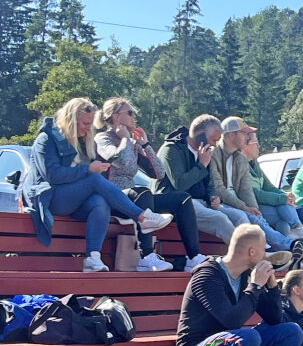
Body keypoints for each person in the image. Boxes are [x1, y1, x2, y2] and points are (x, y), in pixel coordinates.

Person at [20, 98, 173, 273]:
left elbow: (148, 171)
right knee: (93, 179)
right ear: (70, 119)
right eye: (85, 123)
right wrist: (89, 169)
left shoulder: (86, 141)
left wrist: (135, 146)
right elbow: (52, 175)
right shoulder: (47, 139)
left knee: (100, 201)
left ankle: (93, 258)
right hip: (48, 198)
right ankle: (142, 218)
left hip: (72, 200)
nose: (88, 128)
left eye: (90, 123)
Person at [176, 224, 303, 346]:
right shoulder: (207, 276)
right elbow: (231, 320)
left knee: (292, 332)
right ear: (252, 252)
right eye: (263, 250)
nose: (266, 255)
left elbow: (275, 318)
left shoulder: (246, 276)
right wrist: (255, 286)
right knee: (249, 337)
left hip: (230, 345)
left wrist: (271, 286)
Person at [93, 97, 204, 272]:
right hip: (112, 197)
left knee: (182, 199)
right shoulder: (102, 139)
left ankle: (194, 256)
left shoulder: (132, 143)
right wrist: (125, 140)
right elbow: (119, 160)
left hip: (135, 198)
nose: (134, 117)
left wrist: (145, 145)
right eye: (130, 113)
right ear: (115, 117)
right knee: (142, 193)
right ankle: (146, 257)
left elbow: (158, 174)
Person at [210, 119, 303, 266]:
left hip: (236, 203)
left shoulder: (240, 159)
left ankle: (289, 252)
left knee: (258, 215)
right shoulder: (215, 154)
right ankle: (289, 246)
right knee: (245, 214)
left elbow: (246, 190)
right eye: (244, 133)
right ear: (231, 135)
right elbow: (219, 188)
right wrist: (245, 207)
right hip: (220, 203)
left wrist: (254, 209)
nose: (247, 137)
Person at [155, 115, 258, 250]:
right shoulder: (171, 149)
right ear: (201, 135)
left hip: (201, 203)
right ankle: (249, 254)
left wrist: (213, 196)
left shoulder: (205, 152)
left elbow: (210, 183)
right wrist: (201, 165)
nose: (215, 144)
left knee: (239, 216)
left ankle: (255, 249)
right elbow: (179, 184)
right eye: (213, 139)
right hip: (179, 203)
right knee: (219, 219)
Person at [241, 132, 303, 241]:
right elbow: (255, 194)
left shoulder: (254, 163)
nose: (259, 146)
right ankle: (292, 240)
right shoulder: (241, 165)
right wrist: (282, 198)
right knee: (282, 215)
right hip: (251, 206)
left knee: (284, 208)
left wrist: (285, 195)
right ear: (245, 146)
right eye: (256, 143)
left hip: (262, 205)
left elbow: (269, 187)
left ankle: (293, 238)